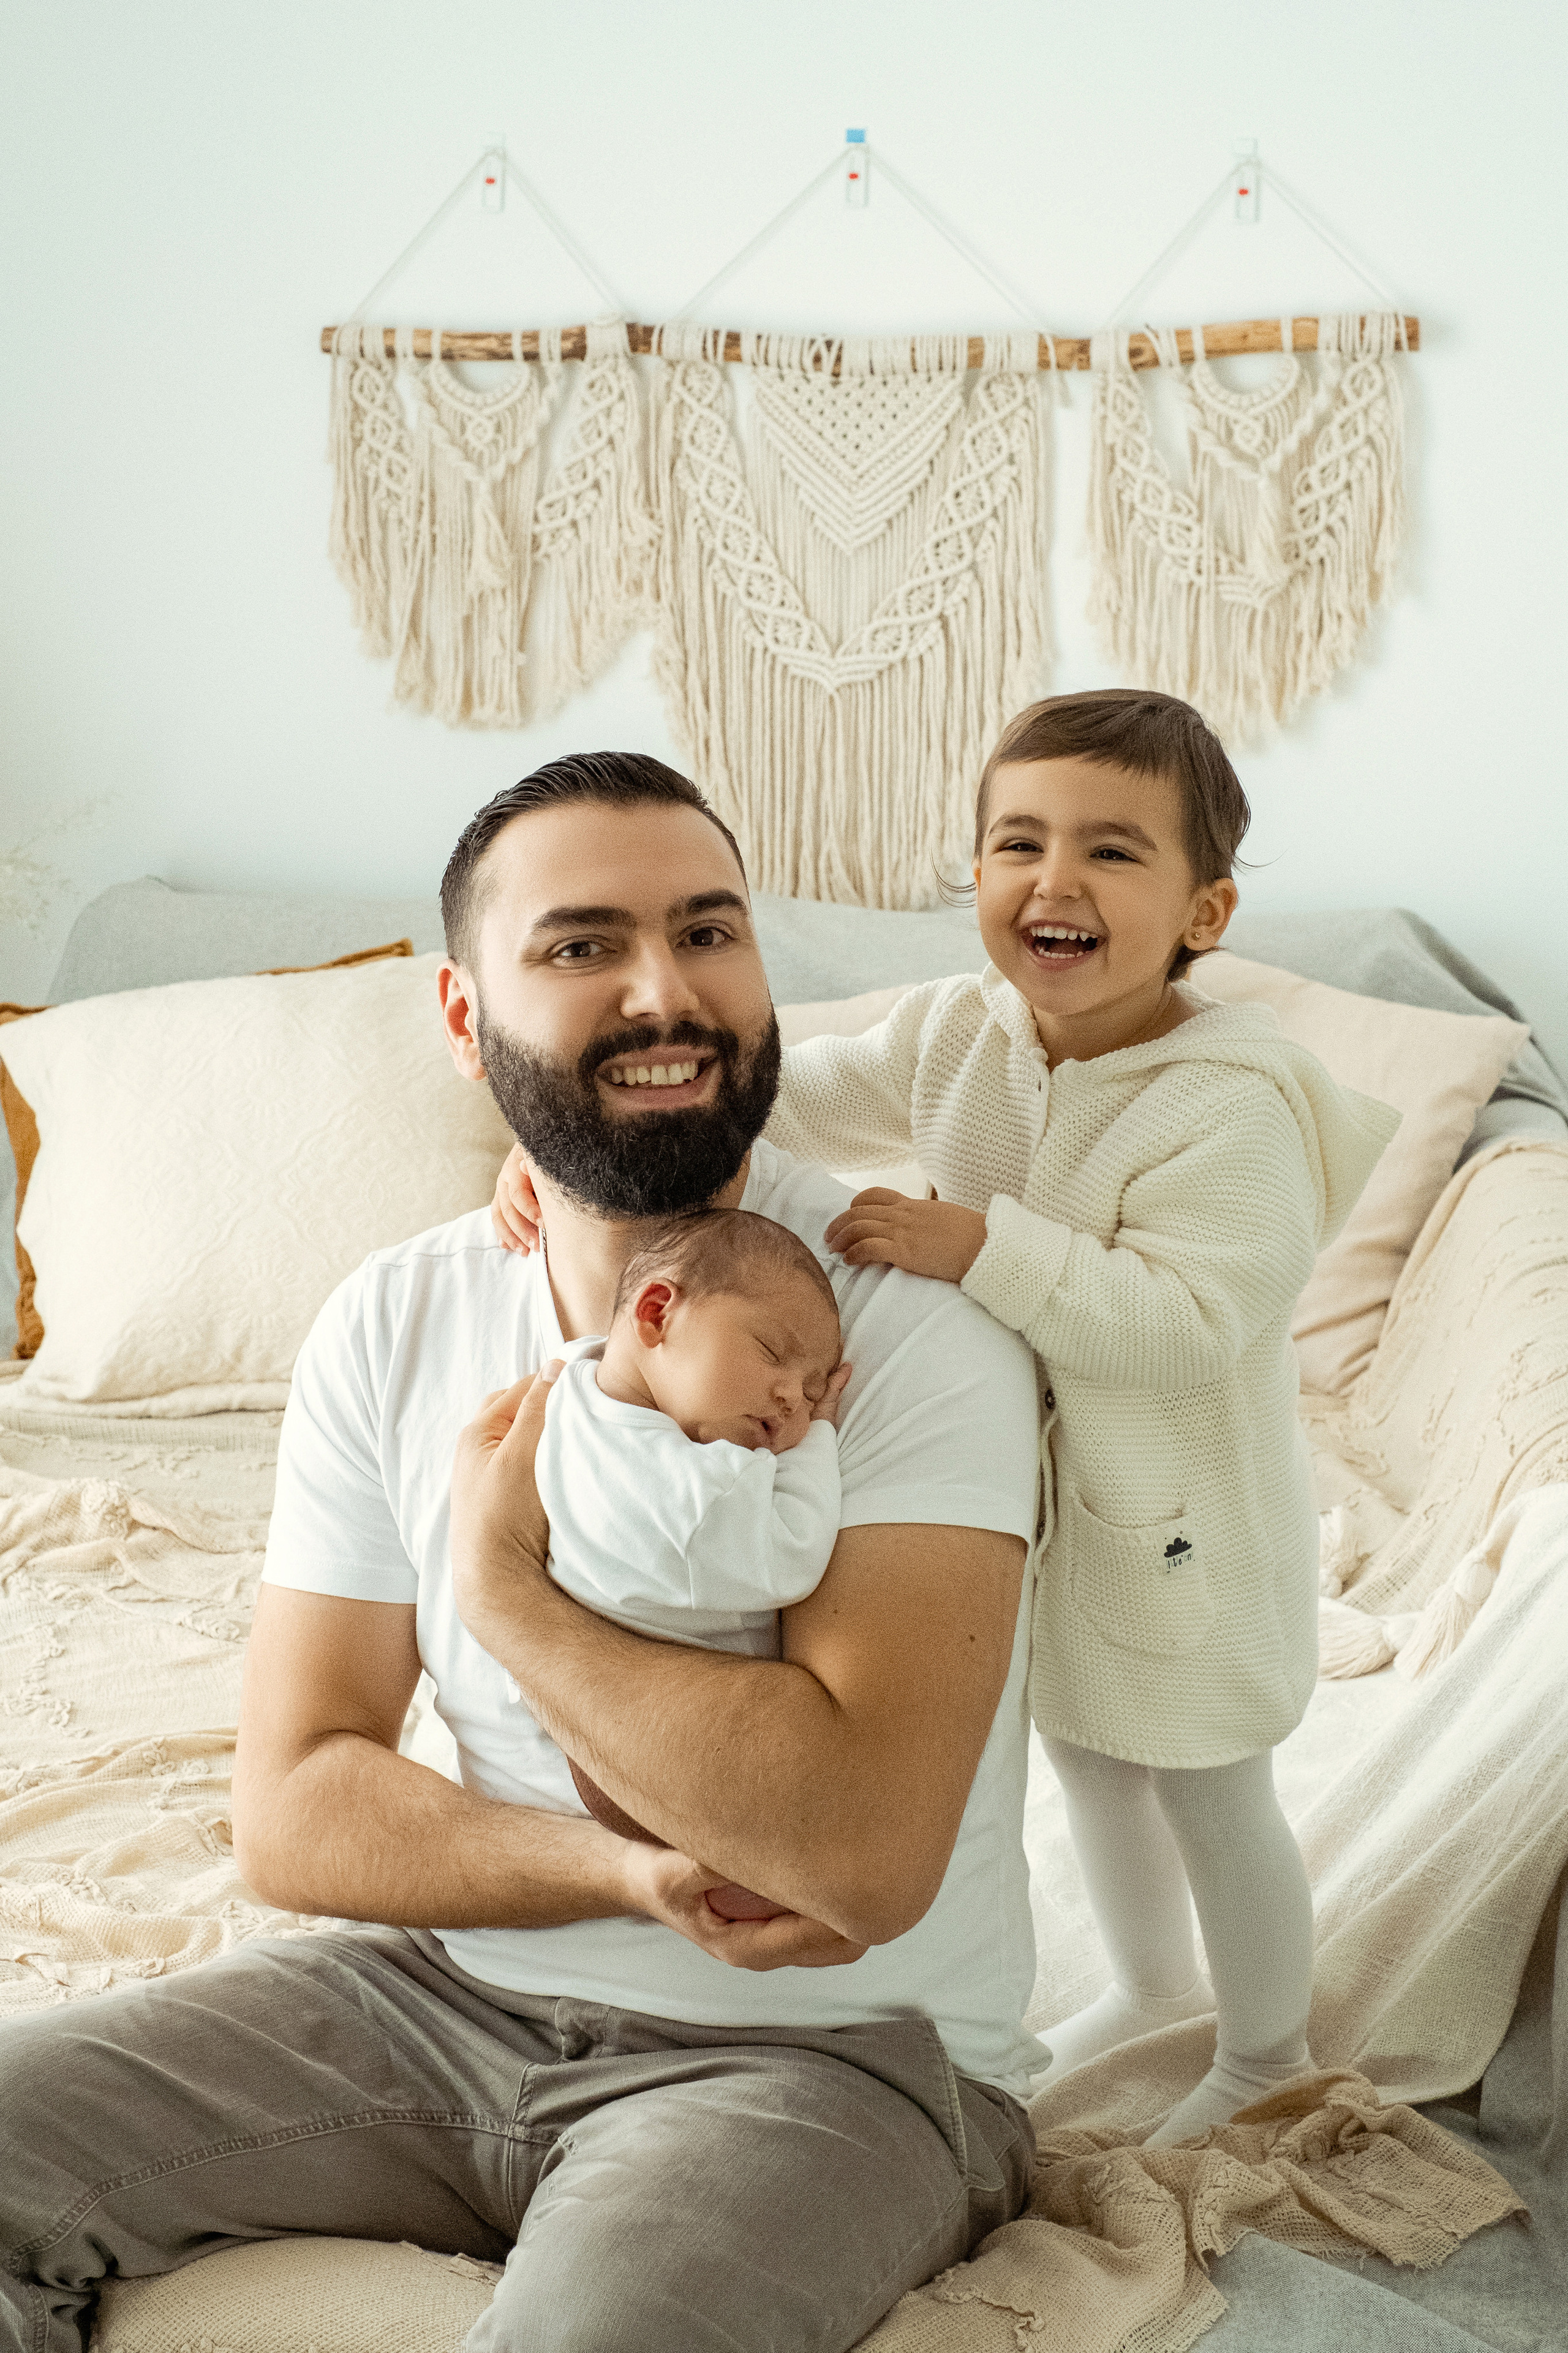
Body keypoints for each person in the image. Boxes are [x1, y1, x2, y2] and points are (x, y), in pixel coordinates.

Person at [0, 752, 1043, 2353]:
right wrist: (620, 1874)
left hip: (824, 2056)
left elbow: (855, 1855)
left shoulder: (898, 1341)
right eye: (581, 945)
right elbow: (295, 1807)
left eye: (708, 932)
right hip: (431, 2000)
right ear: (463, 1015)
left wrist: (501, 1587)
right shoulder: (393, 1318)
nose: (664, 991)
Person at [492, 693, 1398, 2148]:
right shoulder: (956, 1032)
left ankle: (1264, 2051)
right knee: (1091, 1762)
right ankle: (1149, 1984)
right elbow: (767, 1102)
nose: (1053, 880)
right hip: (1049, 1518)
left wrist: (980, 1245)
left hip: (1190, 1533)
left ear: (1203, 911)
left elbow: (1183, 1319)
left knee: (1210, 1788)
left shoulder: (1230, 1108)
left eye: (1110, 851)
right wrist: (571, 1156)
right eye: (1016, 843)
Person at [531, 1204, 848, 1920]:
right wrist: (819, 1440)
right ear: (655, 1314)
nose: (792, 1397)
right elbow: (792, 1554)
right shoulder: (707, 1494)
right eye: (772, 1352)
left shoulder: (570, 1386)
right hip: (676, 1750)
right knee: (783, 1866)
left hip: (588, 1722)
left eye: (812, 1388)